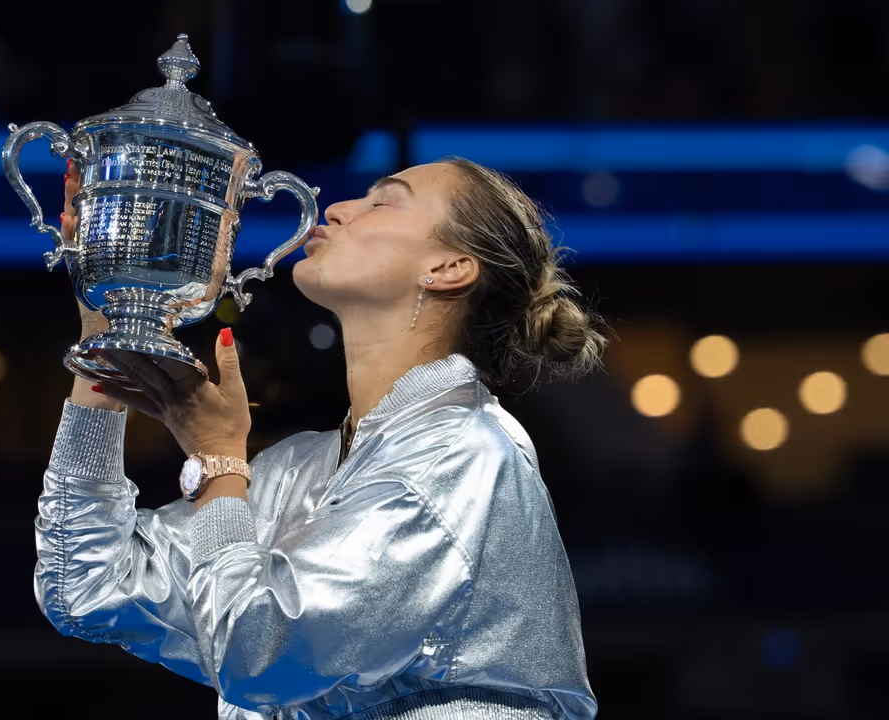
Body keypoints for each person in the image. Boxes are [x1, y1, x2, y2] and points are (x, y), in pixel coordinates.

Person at [36, 156, 606, 720]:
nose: (337, 207)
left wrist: (216, 459)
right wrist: (105, 345)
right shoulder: (297, 469)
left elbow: (261, 654)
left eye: (384, 201)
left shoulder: (467, 453)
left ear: (449, 267)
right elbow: (86, 583)